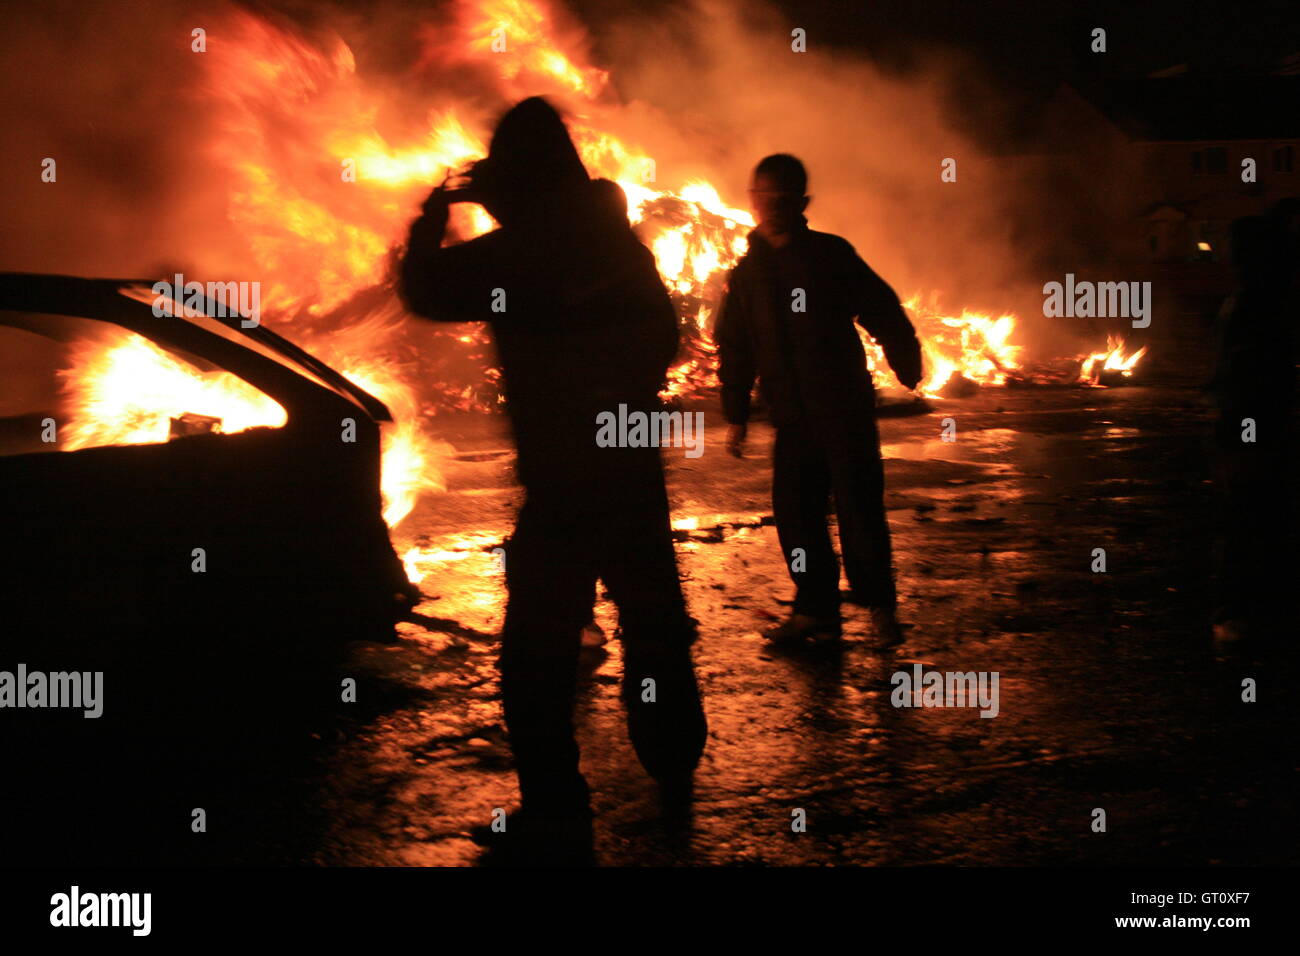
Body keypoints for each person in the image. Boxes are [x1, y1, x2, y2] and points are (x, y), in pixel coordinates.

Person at [398, 97, 707, 862]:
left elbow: (426, 289)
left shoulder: (519, 249)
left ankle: (557, 815)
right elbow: (665, 337)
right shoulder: (616, 242)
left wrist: (434, 215)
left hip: (565, 483)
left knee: (536, 654)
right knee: (654, 628)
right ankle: (673, 765)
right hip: (630, 469)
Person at [716, 153, 921, 646]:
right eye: (765, 196)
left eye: (784, 197)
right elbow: (737, 346)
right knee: (797, 515)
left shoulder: (830, 255)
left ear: (802, 202)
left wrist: (905, 358)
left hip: (842, 407)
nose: (773, 206)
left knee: (858, 510)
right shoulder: (746, 275)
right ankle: (815, 610)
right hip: (792, 416)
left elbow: (880, 306)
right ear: (752, 200)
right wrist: (737, 415)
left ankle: (879, 608)